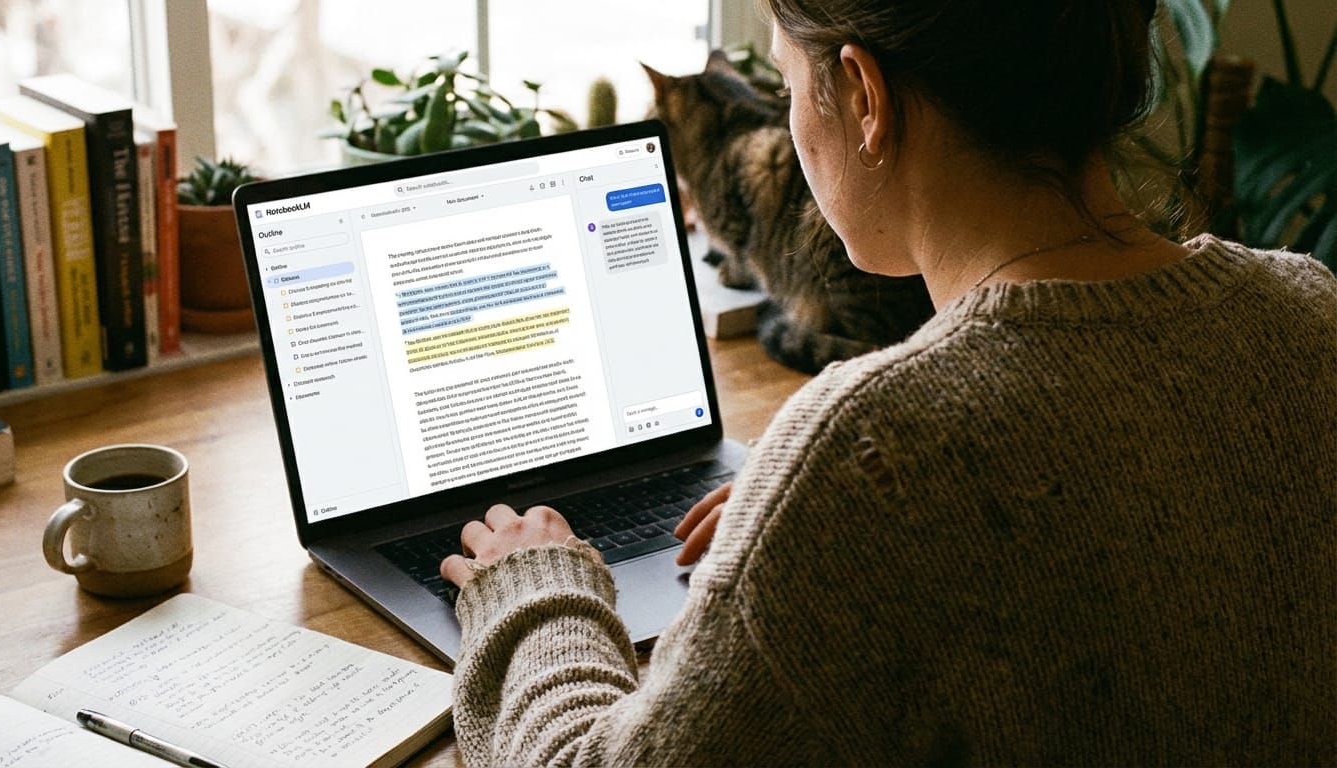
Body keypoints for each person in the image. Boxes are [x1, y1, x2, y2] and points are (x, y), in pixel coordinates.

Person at [439, 1, 1337, 764]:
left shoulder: (873, 456)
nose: (790, 121)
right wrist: (794, 524)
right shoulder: (1310, 312)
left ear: (865, 98)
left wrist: (533, 587)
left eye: (790, 88)